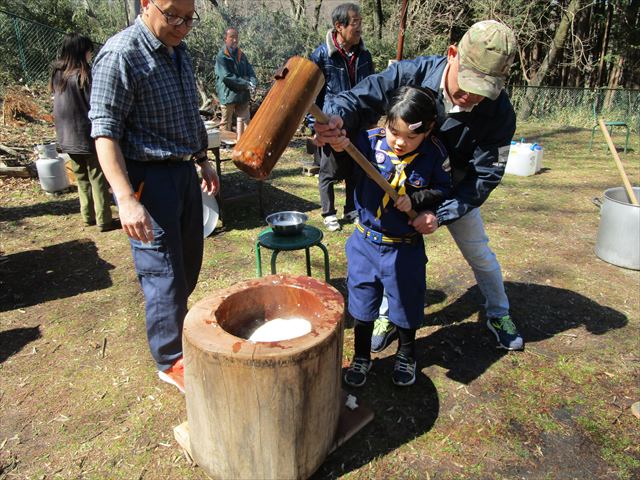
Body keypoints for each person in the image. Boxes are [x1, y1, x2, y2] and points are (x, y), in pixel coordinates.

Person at [315, 20, 525, 351]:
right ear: (452, 53)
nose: (470, 95)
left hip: (449, 191)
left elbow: (485, 174)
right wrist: (337, 116)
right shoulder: (411, 74)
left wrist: (441, 214)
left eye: (483, 89)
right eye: (468, 81)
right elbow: (358, 98)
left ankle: (499, 312)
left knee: (479, 253)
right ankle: (387, 314)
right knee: (389, 253)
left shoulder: (498, 111)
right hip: (394, 186)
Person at [89, 0, 219, 393]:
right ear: (146, 4)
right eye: (172, 15)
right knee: (162, 270)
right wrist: (126, 198)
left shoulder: (179, 51)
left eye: (189, 18)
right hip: (147, 179)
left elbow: (186, 113)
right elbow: (104, 134)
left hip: (182, 172)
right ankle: (171, 360)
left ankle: (178, 332)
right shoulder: (120, 55)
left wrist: (202, 158)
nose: (181, 26)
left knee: (187, 262)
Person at [344, 86, 451, 388]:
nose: (400, 142)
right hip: (365, 242)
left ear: (428, 130)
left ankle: (407, 354)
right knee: (362, 304)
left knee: (406, 303)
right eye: (394, 132)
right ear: (385, 123)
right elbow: (339, 158)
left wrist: (417, 200)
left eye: (411, 137)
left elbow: (444, 189)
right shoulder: (367, 143)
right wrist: (333, 139)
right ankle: (362, 355)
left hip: (403, 248)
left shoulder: (434, 155)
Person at [309, 2, 374, 232]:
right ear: (339, 26)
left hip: (357, 122)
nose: (360, 29)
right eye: (355, 23)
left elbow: (372, 88)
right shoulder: (321, 55)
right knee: (328, 171)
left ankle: (351, 208)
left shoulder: (364, 55)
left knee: (356, 168)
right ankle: (328, 213)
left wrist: (371, 120)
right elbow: (310, 96)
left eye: (360, 23)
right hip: (330, 123)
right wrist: (314, 126)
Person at [50, 33, 116, 232]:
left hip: (66, 136)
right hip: (87, 135)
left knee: (81, 178)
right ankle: (104, 219)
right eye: (89, 51)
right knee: (98, 176)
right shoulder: (84, 74)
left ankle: (87, 216)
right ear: (82, 51)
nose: (91, 55)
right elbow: (95, 105)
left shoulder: (57, 74)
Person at [215, 27, 257, 132]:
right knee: (225, 124)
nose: (235, 40)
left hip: (243, 95)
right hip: (228, 95)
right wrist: (246, 83)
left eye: (236, 37)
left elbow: (250, 71)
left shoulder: (241, 55)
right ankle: (224, 146)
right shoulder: (221, 56)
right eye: (231, 37)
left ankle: (245, 145)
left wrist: (253, 82)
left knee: (246, 123)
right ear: (225, 39)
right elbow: (226, 76)